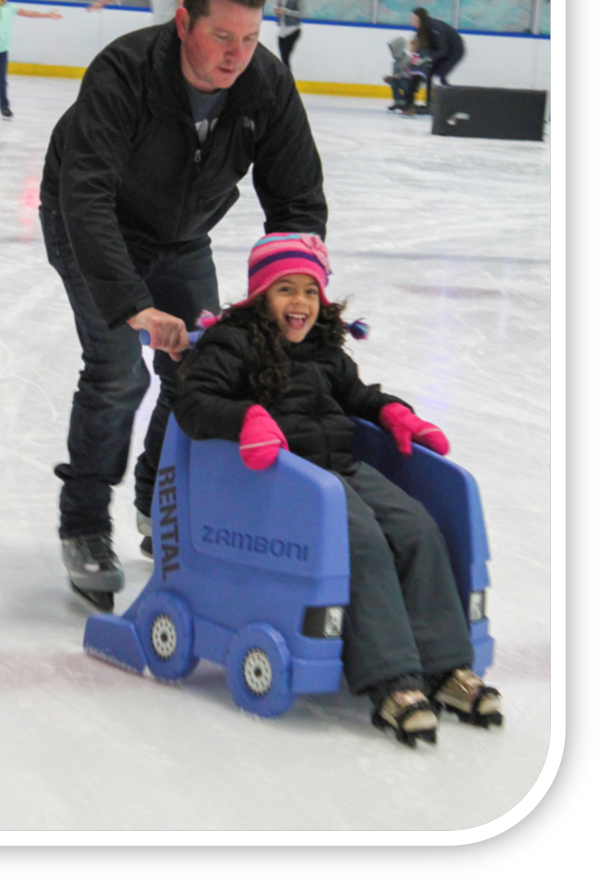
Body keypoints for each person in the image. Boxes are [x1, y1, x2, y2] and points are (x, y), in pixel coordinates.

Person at [39, 0, 328, 610]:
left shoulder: (265, 85)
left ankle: (156, 499)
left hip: (180, 234)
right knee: (119, 372)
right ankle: (84, 522)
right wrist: (133, 306)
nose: (237, 55)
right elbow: (85, 197)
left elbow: (298, 200)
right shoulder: (125, 72)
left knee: (202, 370)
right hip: (87, 220)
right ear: (182, 24)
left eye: (251, 38)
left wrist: (293, 287)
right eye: (223, 37)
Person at [172, 233, 503, 747]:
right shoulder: (231, 343)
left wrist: (393, 412)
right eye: (285, 289)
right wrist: (246, 418)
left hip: (341, 468)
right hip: (285, 480)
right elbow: (193, 406)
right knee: (363, 544)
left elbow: (355, 395)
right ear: (261, 294)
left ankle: (446, 669)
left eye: (310, 290)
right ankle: (393, 683)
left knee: (417, 529)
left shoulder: (326, 347)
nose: (299, 303)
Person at [410, 7, 465, 109]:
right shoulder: (422, 29)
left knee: (442, 74)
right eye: (412, 19)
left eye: (414, 19)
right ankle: (429, 103)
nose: (412, 22)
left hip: (455, 50)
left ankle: (451, 102)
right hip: (442, 50)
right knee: (429, 73)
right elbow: (424, 46)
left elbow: (443, 50)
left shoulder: (435, 28)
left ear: (420, 19)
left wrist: (428, 57)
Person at [274, 0, 304, 70]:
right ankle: (286, 83)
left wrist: (286, 11)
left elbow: (301, 13)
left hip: (293, 30)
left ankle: (287, 83)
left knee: (285, 59)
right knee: (283, 60)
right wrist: (278, 11)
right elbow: (280, 6)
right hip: (282, 29)